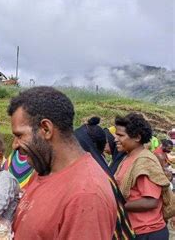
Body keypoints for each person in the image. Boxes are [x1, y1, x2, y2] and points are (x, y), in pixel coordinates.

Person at [9, 86, 117, 239]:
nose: (14, 145)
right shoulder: (43, 171)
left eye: (19, 135)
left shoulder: (86, 196)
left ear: (46, 129)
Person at [114, 113, 173, 239]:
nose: (115, 139)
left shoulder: (144, 161)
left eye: (120, 135)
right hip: (134, 230)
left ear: (137, 137)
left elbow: (151, 201)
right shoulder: (128, 158)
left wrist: (117, 206)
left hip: (147, 232)